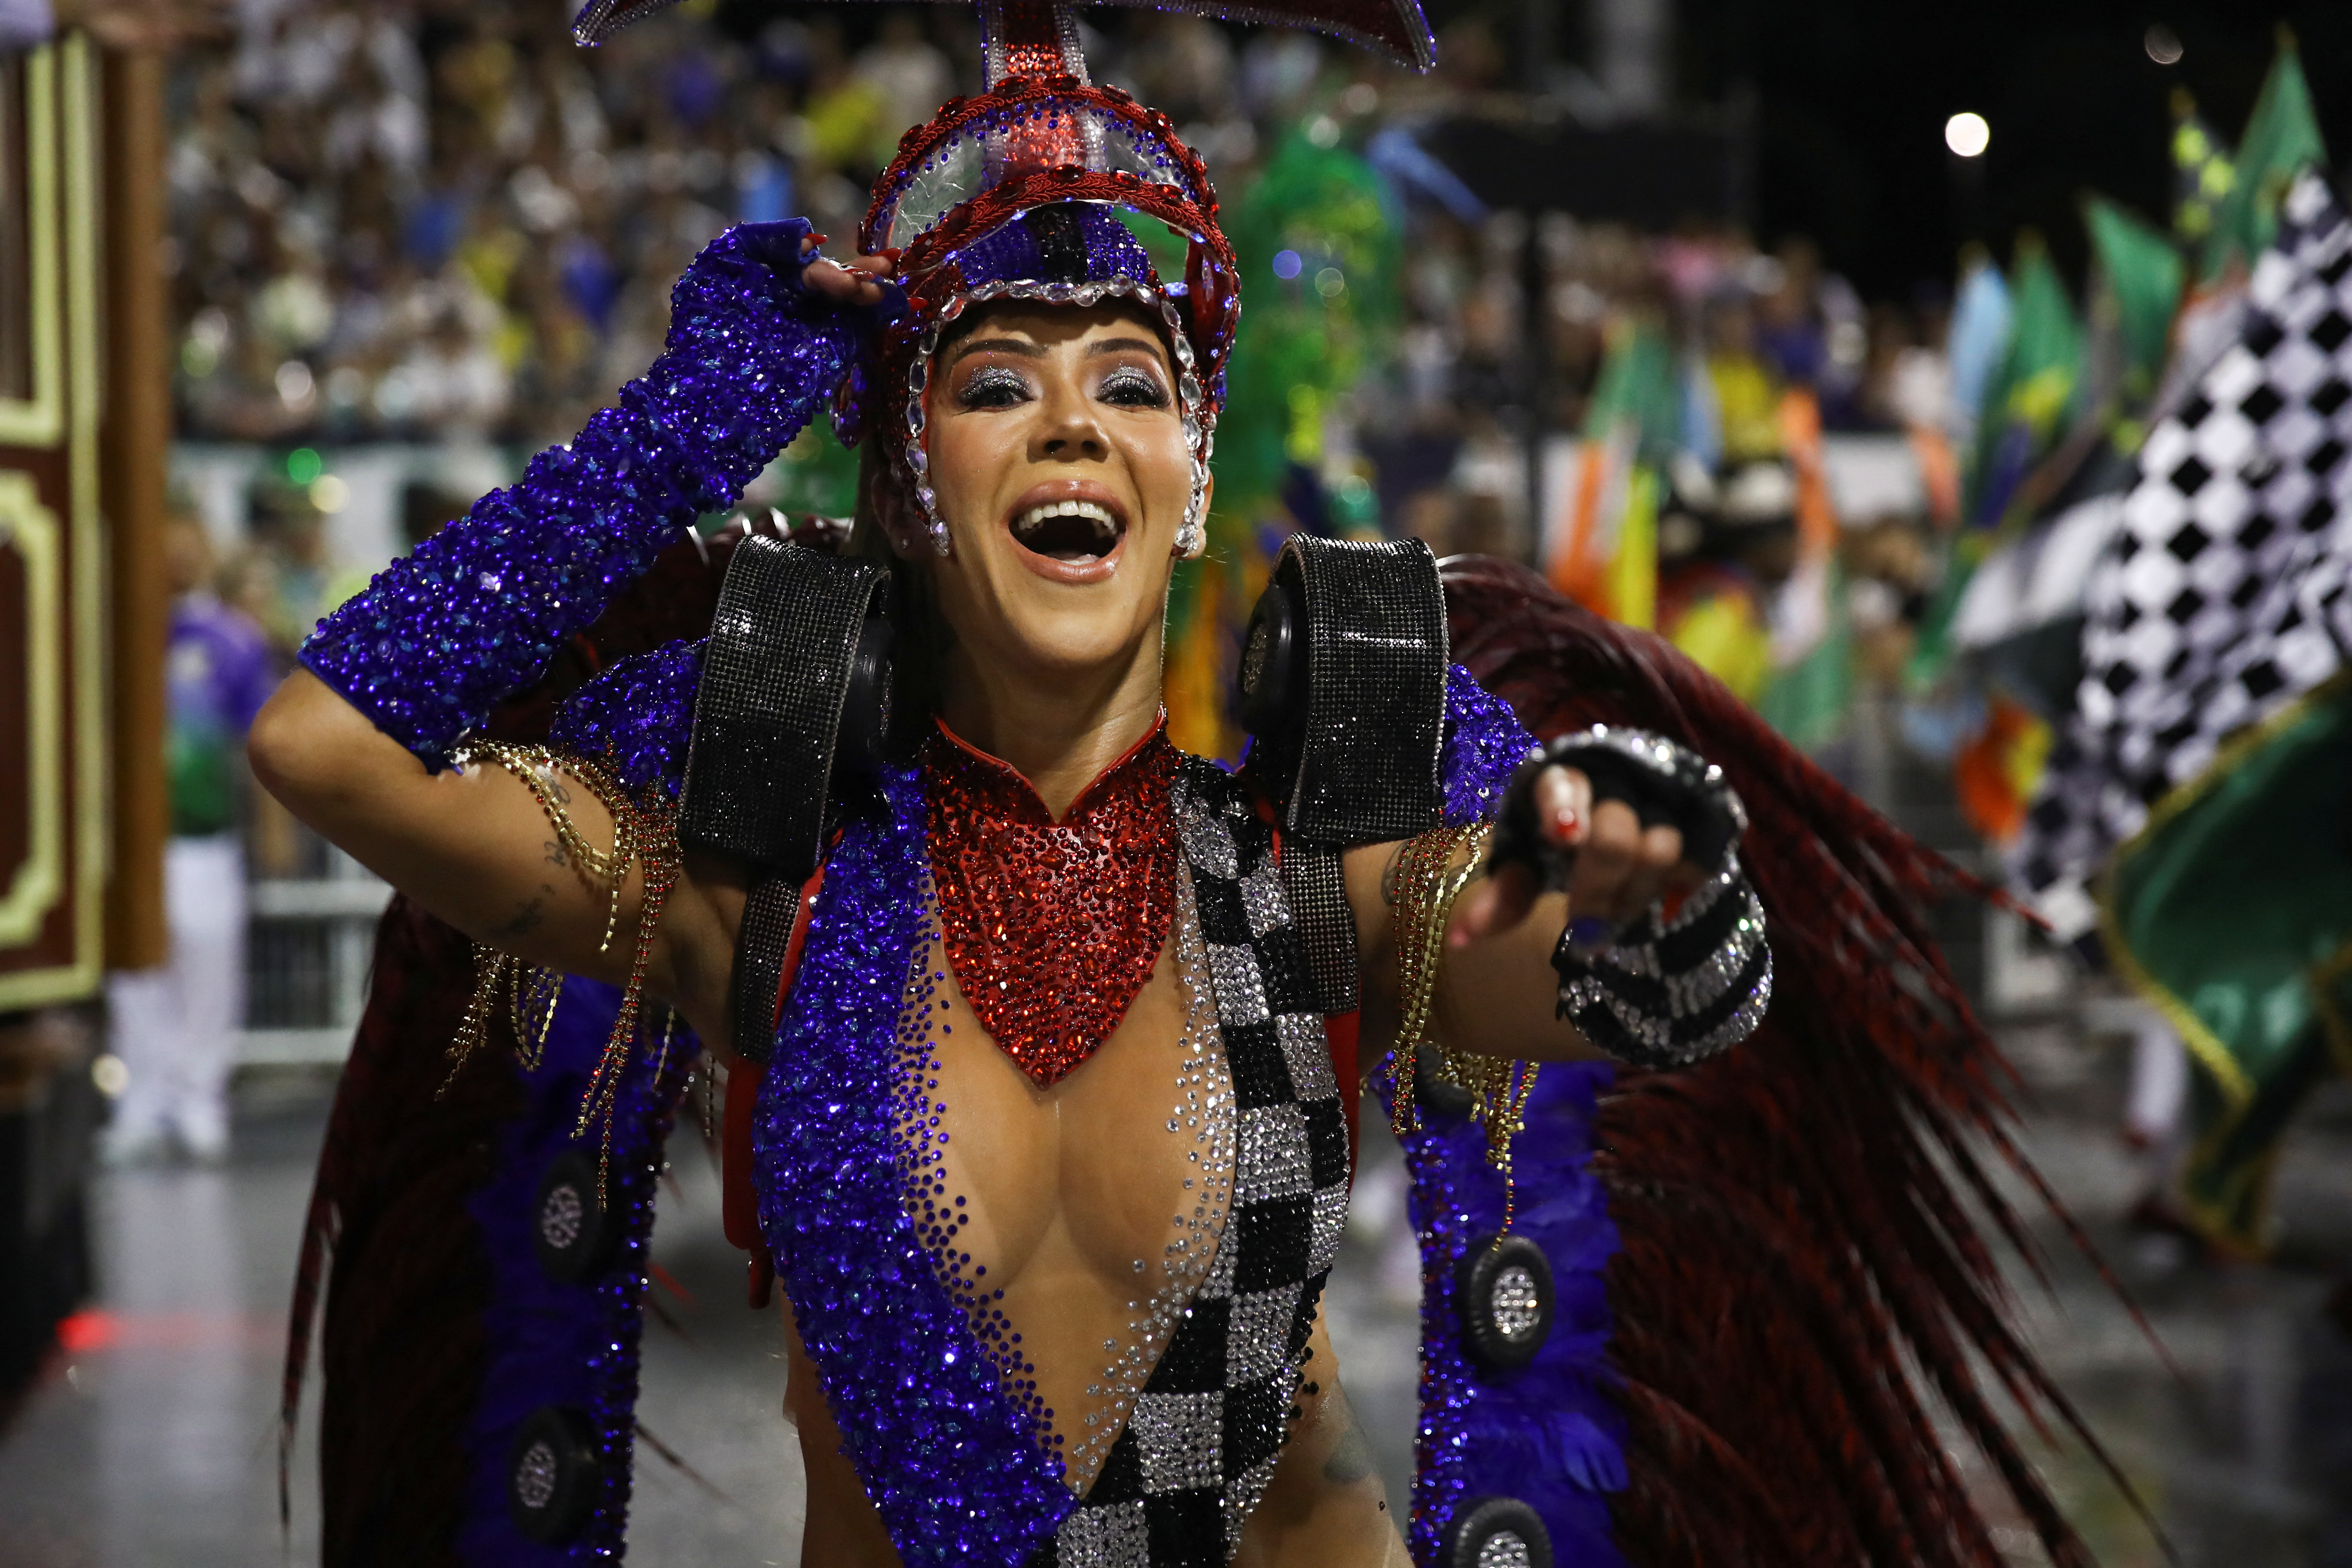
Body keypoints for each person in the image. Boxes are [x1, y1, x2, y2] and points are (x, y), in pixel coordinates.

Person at [261, 3, 2120, 1564]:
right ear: (915, 480)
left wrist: (1652, 900)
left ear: (1195, 479)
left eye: (1132, 386)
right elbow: (320, 747)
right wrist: (673, 433)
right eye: (998, 382)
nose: (1074, 421)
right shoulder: (760, 892)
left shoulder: (1316, 882)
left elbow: (1587, 984)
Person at [105, 512, 276, 1164]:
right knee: (135, 975)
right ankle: (141, 1101)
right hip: (130, 842)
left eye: (187, 548)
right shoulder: (117, 631)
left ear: (206, 552)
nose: (175, 560)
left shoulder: (233, 639)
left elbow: (262, 738)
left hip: (205, 836)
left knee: (208, 968)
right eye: (163, 548)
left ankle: (200, 1098)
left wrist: (274, 828)